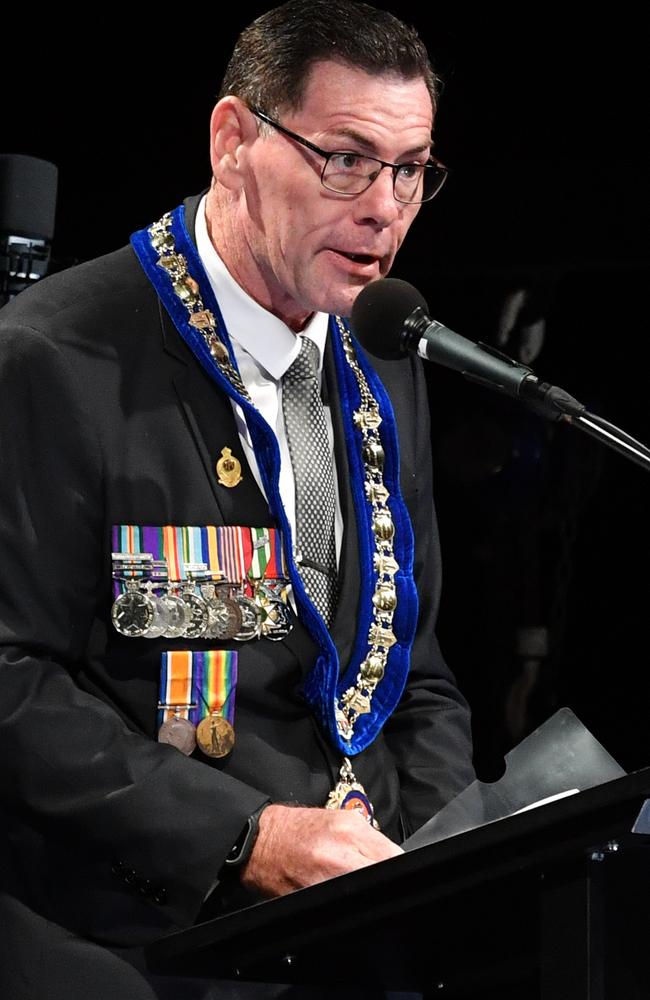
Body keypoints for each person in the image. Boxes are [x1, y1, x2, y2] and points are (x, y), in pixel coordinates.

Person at [0, 1, 475, 997]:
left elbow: (414, 669)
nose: (384, 206)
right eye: (344, 158)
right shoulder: (53, 356)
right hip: (143, 930)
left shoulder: (388, 355)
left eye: (409, 168)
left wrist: (443, 852)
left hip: (364, 916)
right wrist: (241, 835)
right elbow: (11, 676)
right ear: (232, 142)